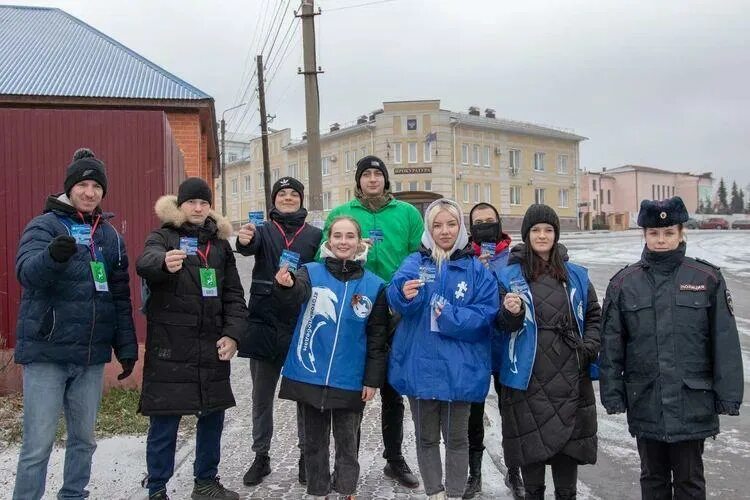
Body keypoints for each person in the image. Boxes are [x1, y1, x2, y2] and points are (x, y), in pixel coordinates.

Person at [12, 148, 137, 500]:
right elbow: (26, 273)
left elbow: (119, 296)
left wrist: (125, 347)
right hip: (47, 353)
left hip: (89, 356)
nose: (89, 192)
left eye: (96, 186)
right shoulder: (44, 225)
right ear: (69, 188)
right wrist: (52, 256)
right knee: (37, 446)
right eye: (82, 184)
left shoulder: (109, 236)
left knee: (83, 441)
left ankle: (73, 495)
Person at [599, 197, 744, 500]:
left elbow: (724, 341)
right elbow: (612, 344)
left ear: (681, 233)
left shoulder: (706, 279)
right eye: (654, 233)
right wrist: (612, 394)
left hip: (692, 399)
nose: (661, 240)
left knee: (690, 481)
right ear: (644, 235)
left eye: (668, 232)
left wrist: (727, 396)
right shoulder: (624, 283)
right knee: (653, 479)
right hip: (646, 397)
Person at [136, 177, 247, 500]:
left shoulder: (221, 245)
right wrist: (162, 262)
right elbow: (145, 262)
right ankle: (156, 488)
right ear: (180, 205)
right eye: (191, 202)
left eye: (203, 202)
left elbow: (234, 295)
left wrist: (233, 335)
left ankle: (206, 482)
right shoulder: (163, 236)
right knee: (165, 422)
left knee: (212, 416)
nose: (198, 208)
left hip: (211, 346)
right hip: (171, 347)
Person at [320, 155, 423, 488]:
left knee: (393, 390)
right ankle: (345, 464)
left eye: (378, 173)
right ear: (358, 180)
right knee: (353, 391)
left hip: (394, 311)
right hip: (353, 310)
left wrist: (402, 296)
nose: (373, 178)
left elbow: (418, 256)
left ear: (386, 179)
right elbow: (324, 253)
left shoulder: (406, 214)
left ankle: (394, 459)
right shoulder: (343, 214)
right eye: (366, 174)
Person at [387, 198, 499, 500]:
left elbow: (486, 315)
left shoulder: (476, 269)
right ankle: (434, 493)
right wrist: (404, 294)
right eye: (437, 225)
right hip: (420, 365)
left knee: (457, 439)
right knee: (425, 438)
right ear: (428, 229)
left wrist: (449, 316)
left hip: (461, 368)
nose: (444, 231)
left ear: (461, 227)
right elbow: (394, 293)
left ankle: (453, 494)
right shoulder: (415, 262)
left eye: (451, 224)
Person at [275, 216, 389, 499]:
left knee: (348, 442)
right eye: (337, 235)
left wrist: (372, 380)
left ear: (360, 241)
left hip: (349, 378)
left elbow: (377, 340)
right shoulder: (310, 272)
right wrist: (286, 284)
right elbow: (294, 294)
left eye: (350, 236)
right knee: (313, 443)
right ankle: (318, 490)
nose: (343, 242)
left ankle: (346, 489)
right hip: (309, 373)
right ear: (329, 240)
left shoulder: (374, 286)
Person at [495, 204, 601, 500]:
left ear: (556, 234)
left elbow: (594, 315)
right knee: (533, 475)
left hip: (571, 378)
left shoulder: (576, 275)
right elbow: (499, 326)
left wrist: (589, 346)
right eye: (536, 230)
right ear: (527, 234)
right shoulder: (509, 276)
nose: (542, 236)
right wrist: (511, 314)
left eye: (548, 230)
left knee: (567, 477)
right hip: (527, 380)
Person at [235, 177, 322, 486]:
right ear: (274, 200)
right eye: (282, 194)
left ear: (301, 200)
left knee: (304, 395)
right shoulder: (262, 230)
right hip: (263, 321)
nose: (287, 198)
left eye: (293, 194)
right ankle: (261, 456)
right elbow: (247, 247)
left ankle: (305, 456)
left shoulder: (314, 235)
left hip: (301, 323)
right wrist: (244, 239)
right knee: (261, 396)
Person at [463, 202, 523, 499]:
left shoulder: (514, 258)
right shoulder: (464, 257)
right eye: (478, 222)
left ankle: (515, 471)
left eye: (490, 220)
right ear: (470, 227)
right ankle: (474, 473)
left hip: (506, 349)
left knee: (510, 412)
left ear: (499, 223)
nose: (484, 225)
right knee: (473, 415)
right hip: (474, 349)